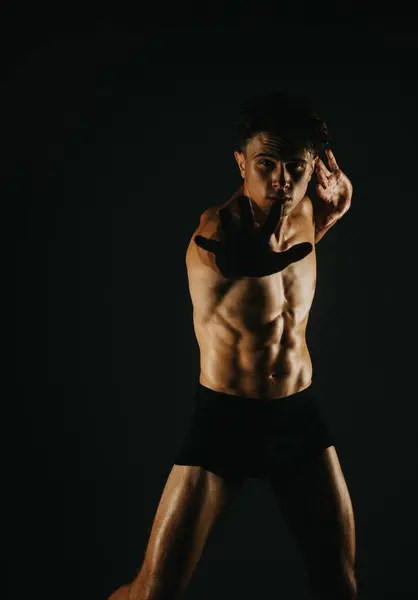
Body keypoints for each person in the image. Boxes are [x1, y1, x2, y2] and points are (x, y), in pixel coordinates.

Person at [108, 91, 356, 600]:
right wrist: (265, 250)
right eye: (266, 164)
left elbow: (279, 290)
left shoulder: (306, 213)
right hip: (227, 421)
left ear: (312, 168)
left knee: (339, 585)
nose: (281, 179)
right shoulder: (215, 233)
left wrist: (331, 217)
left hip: (296, 415)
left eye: (295, 166)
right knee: (155, 592)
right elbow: (242, 262)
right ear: (241, 162)